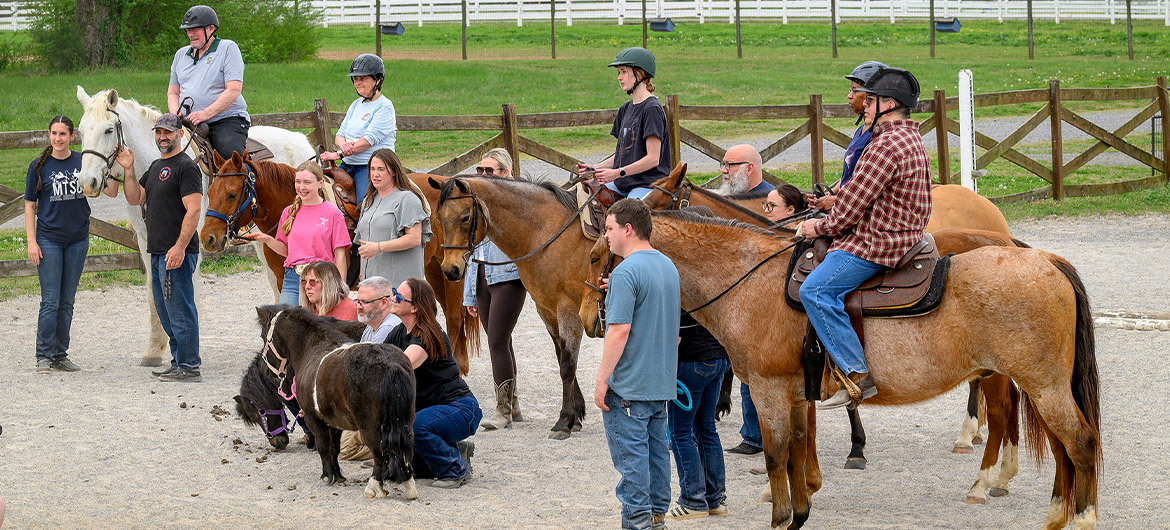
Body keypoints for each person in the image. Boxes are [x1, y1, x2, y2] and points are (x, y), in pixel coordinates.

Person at [797, 66, 932, 410]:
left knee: (814, 289)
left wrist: (817, 226)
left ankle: (855, 373)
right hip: (905, 235)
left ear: (887, 104)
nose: (864, 108)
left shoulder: (884, 145)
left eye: (869, 101)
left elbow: (848, 211)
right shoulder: (911, 137)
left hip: (877, 243)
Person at [594, 198, 680, 530]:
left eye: (610, 229)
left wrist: (602, 380)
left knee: (633, 474)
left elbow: (619, 331)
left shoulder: (626, 271)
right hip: (660, 386)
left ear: (627, 229)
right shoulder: (667, 266)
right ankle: (657, 521)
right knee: (658, 463)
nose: (606, 236)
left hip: (628, 389)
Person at [113, 113, 203, 382]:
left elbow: (194, 210)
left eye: (168, 132)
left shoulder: (186, 168)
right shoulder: (154, 167)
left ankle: (189, 365)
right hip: (157, 251)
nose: (163, 137)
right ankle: (178, 361)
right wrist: (128, 170)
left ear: (180, 135)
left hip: (177, 252)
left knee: (180, 308)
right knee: (165, 309)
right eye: (159, 132)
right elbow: (135, 197)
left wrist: (179, 247)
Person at [725, 183, 809, 456]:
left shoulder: (798, 244)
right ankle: (754, 434)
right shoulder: (764, 238)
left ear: (792, 211)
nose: (767, 212)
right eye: (766, 206)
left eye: (772, 207)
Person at [387, 278, 482, 488]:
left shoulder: (428, 335)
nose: (393, 298)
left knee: (413, 428)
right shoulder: (399, 333)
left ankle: (456, 469)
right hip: (435, 411)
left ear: (415, 308)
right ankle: (456, 449)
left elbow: (402, 365)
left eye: (399, 296)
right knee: (413, 467)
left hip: (460, 409)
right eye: (395, 292)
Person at [464, 148, 528, 430]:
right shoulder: (478, 199)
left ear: (505, 172)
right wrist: (469, 293)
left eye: (490, 171)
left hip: (508, 275)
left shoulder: (516, 199)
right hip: (482, 275)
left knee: (497, 341)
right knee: (501, 340)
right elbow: (472, 247)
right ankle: (512, 405)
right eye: (481, 171)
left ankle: (503, 409)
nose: (484, 175)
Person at [25, 115, 87, 374]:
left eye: (63, 134)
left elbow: (108, 191)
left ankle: (60, 354)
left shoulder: (83, 161)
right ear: (49, 135)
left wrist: (122, 167)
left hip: (78, 240)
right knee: (50, 300)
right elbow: (29, 204)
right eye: (54, 133)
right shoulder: (39, 166)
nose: (58, 138)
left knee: (67, 301)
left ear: (72, 136)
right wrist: (31, 241)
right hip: (49, 239)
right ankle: (43, 355)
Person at [244, 161, 351, 306]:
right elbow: (287, 251)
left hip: (323, 279)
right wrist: (267, 239)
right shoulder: (288, 212)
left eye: (307, 182)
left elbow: (340, 255)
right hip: (293, 279)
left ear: (321, 183)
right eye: (298, 182)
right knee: (286, 324)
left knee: (319, 327)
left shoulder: (333, 213)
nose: (301, 187)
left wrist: (340, 287)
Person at [575, 47, 671, 200]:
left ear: (640, 73)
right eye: (619, 72)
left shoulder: (652, 109)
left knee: (626, 212)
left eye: (624, 72)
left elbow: (653, 158)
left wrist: (617, 173)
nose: (619, 77)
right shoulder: (625, 109)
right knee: (584, 196)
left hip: (647, 184)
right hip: (623, 183)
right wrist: (593, 168)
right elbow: (622, 156)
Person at [666, 311, 731, 520]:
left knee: (680, 432)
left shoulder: (679, 283)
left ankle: (692, 499)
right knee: (707, 429)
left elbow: (672, 333)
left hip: (691, 361)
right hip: (717, 357)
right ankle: (716, 499)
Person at [168, 5, 250, 160]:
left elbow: (233, 90)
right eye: (187, 30)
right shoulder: (180, 55)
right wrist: (174, 112)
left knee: (229, 161)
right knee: (162, 147)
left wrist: (205, 114)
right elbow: (173, 92)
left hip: (225, 119)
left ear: (211, 28)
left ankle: (247, 182)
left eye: (195, 29)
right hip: (187, 122)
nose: (190, 34)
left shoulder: (228, 48)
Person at [812, 60, 887, 211]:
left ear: (871, 95)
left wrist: (835, 200)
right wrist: (829, 193)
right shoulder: (861, 130)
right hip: (844, 202)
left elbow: (868, 188)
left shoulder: (879, 137)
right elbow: (852, 175)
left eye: (855, 90)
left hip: (856, 210)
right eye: (850, 90)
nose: (849, 96)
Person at [320, 54, 397, 201]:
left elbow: (368, 140)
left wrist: (339, 154)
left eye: (363, 78)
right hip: (347, 165)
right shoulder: (355, 104)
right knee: (320, 190)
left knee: (364, 204)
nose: (358, 83)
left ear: (378, 80)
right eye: (356, 79)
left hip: (370, 167)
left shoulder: (385, 106)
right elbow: (340, 135)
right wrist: (344, 146)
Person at [353, 149, 432, 286]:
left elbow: (414, 239)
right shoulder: (368, 201)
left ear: (394, 171)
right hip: (371, 284)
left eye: (381, 169)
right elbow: (364, 243)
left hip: (399, 286)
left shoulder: (407, 199)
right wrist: (362, 272)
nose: (375, 174)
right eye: (372, 169)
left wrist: (379, 247)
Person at [354, 276, 402, 343]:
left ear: (384, 303)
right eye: (358, 301)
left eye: (365, 302)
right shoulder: (372, 323)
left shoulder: (388, 328)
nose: (359, 307)